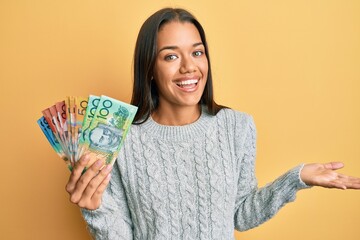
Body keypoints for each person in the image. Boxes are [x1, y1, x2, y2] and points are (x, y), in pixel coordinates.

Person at [65, 8, 360, 239]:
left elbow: (241, 215)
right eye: (170, 56)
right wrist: (96, 210)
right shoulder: (118, 137)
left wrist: (296, 178)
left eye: (197, 52)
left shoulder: (237, 127)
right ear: (150, 69)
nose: (189, 67)